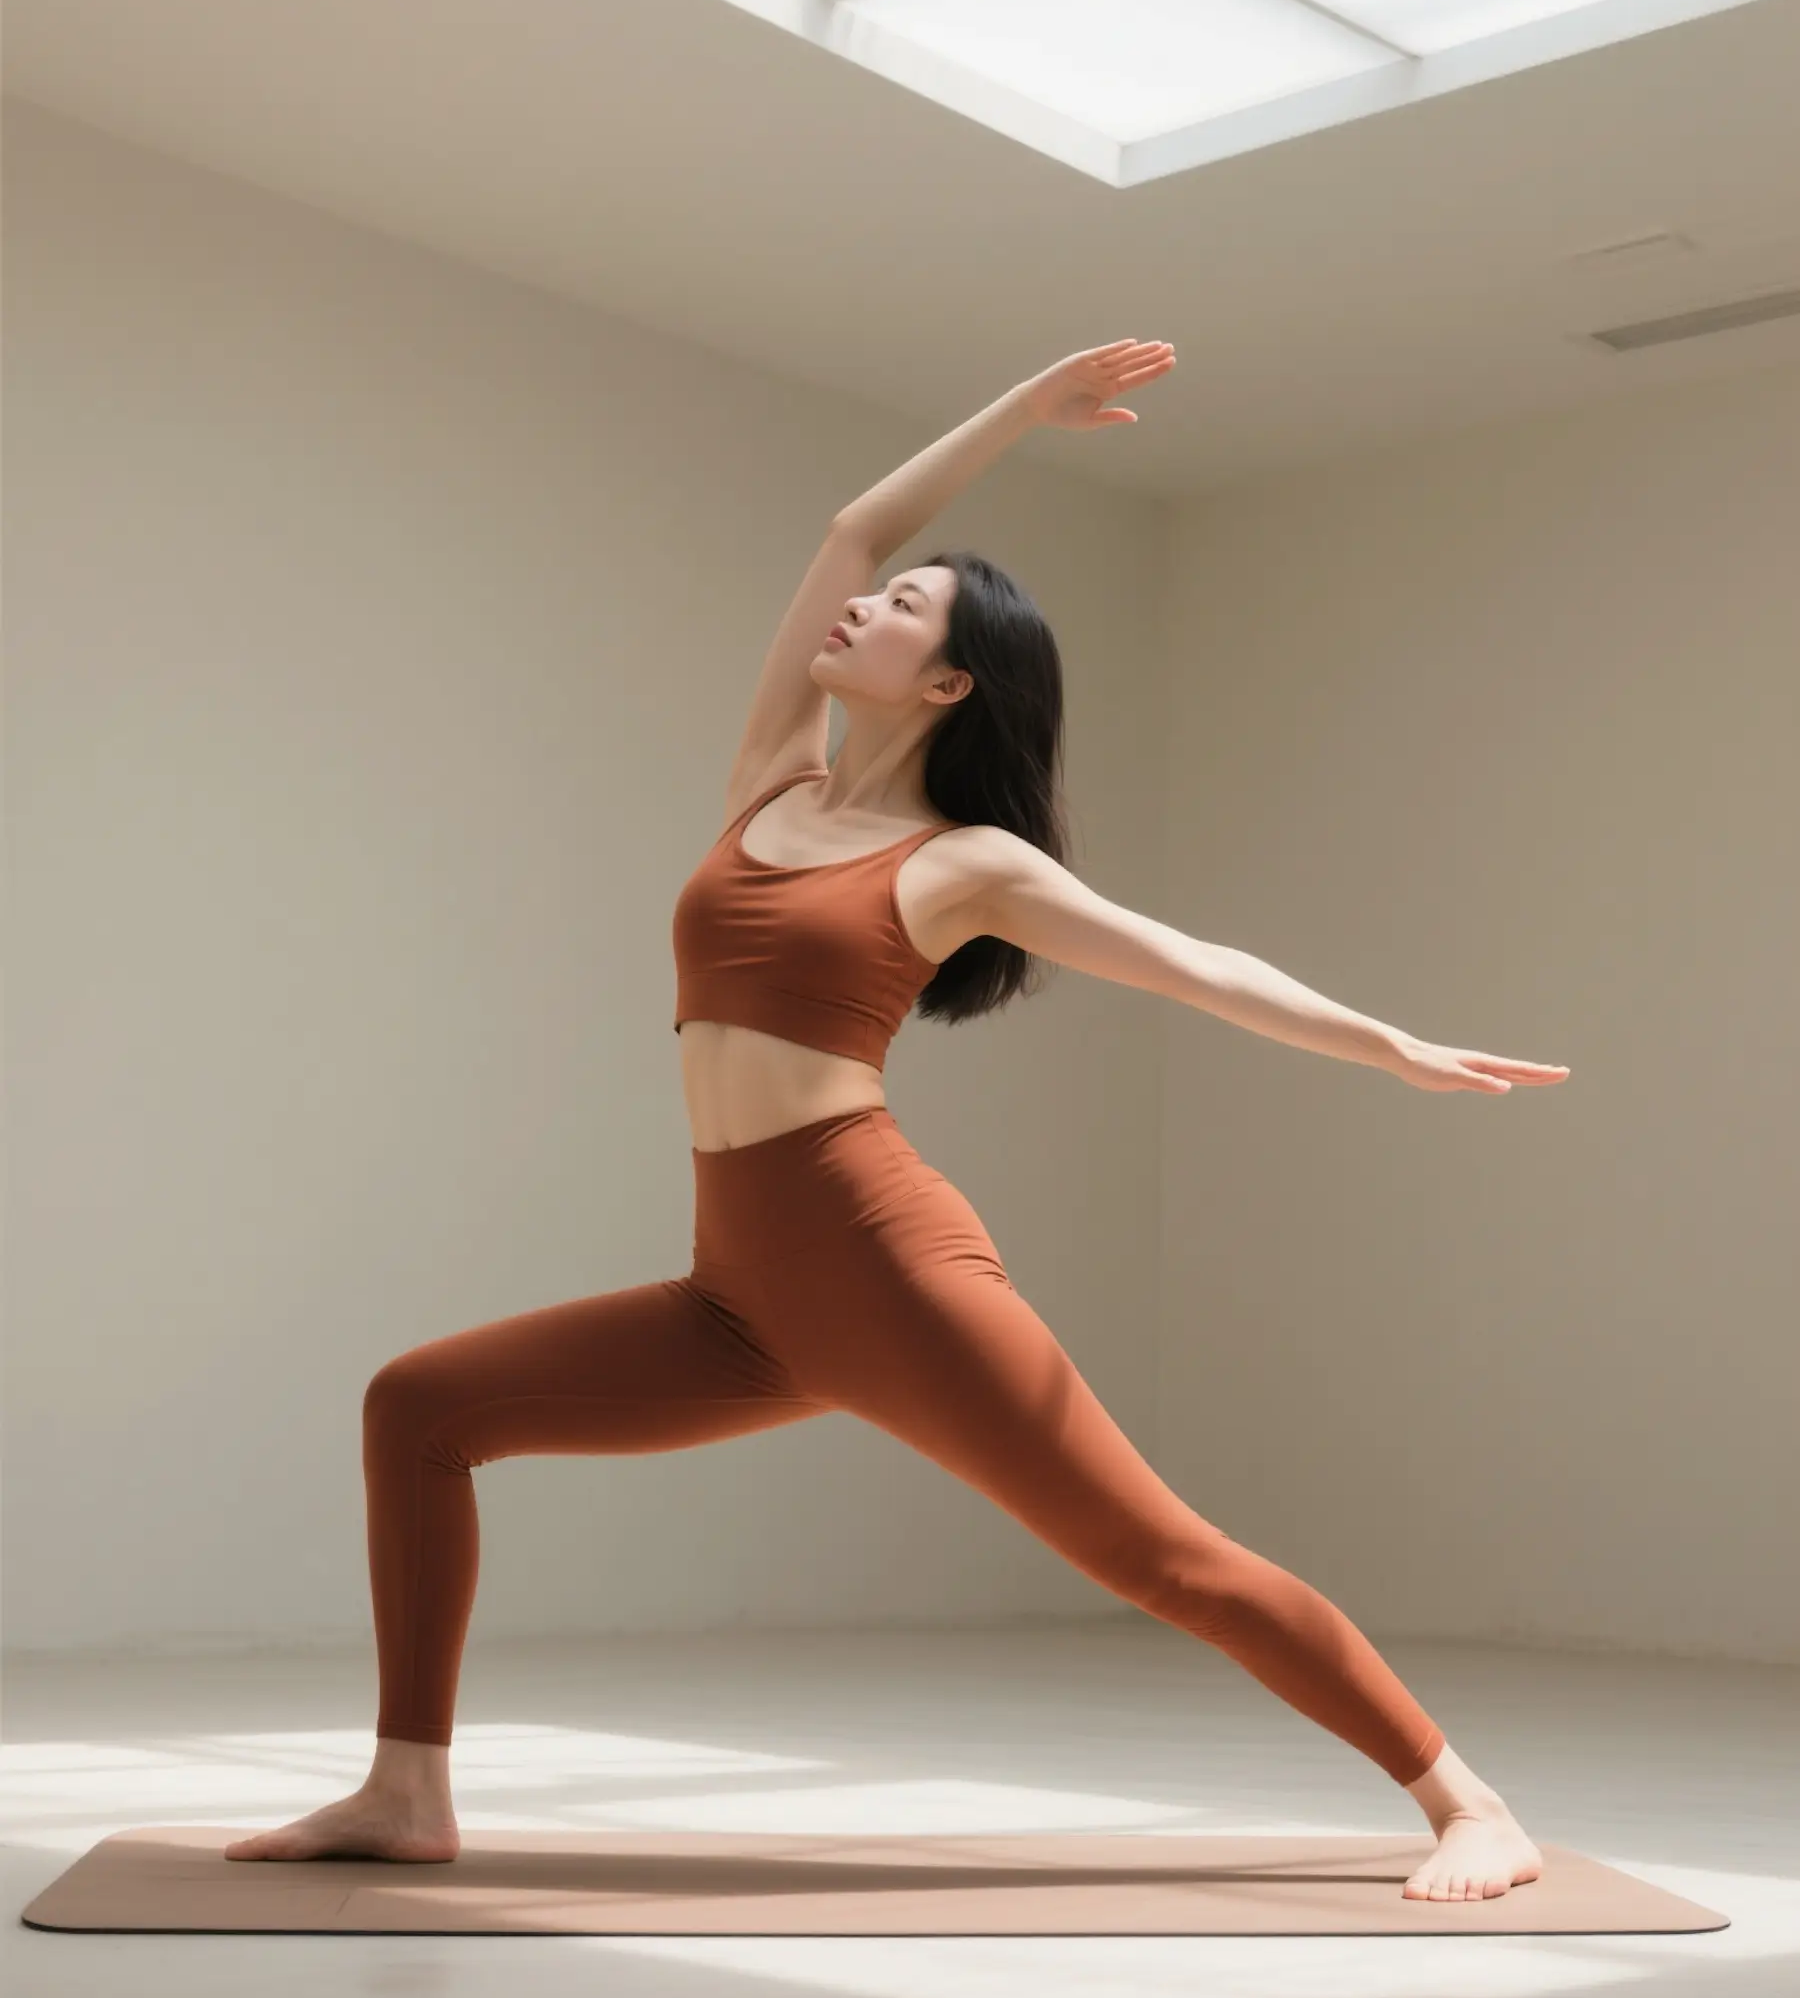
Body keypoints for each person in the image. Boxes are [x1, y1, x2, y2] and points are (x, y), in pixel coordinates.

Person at [228, 340, 1567, 1901]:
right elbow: (852, 529)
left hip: (889, 1272)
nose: (862, 606)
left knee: (1161, 1558)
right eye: (886, 595)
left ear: (949, 683)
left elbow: (1191, 965)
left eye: (911, 610)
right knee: (420, 1407)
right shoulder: (766, 786)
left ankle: (1470, 1803)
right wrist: (1023, 409)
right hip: (738, 1296)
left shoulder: (969, 862)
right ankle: (406, 1791)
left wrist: (1390, 1043)